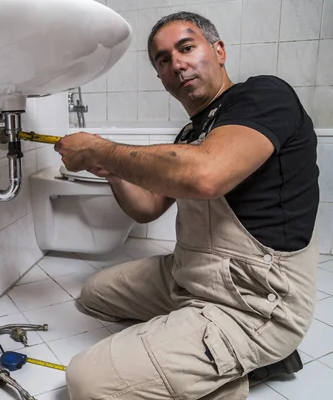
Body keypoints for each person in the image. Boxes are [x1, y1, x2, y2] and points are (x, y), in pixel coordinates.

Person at [56, 11, 320, 400]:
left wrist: (101, 148)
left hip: (254, 301)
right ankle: (194, 339)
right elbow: (146, 209)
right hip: (193, 275)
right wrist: (111, 170)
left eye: (186, 47)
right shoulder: (189, 133)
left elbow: (206, 175)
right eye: (163, 60)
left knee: (85, 381)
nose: (176, 63)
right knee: (94, 293)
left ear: (218, 50)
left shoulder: (264, 96)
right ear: (162, 77)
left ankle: (249, 364)